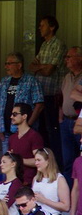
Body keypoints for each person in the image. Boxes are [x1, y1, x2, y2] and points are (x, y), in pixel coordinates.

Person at [31, 15, 67, 156]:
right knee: (42, 129)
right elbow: (31, 66)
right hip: (40, 94)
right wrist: (43, 66)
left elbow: (49, 71)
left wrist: (40, 67)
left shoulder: (58, 44)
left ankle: (56, 161)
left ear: (52, 27)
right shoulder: (44, 45)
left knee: (53, 129)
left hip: (52, 94)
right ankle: (44, 159)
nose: (40, 28)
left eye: (43, 25)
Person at [0, 52, 44, 147]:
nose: (6, 67)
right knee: (8, 156)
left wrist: (28, 126)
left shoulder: (31, 81)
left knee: (23, 155)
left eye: (9, 64)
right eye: (6, 64)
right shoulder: (4, 81)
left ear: (19, 65)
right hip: (5, 131)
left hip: (24, 132)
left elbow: (39, 105)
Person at [7, 103, 43, 184]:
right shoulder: (12, 138)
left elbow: (39, 160)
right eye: (12, 114)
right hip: (13, 181)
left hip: (29, 182)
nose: (11, 117)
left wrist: (19, 160)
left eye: (15, 114)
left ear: (24, 116)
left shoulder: (34, 136)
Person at [59, 47, 82, 174]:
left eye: (69, 57)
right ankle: (68, 186)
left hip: (79, 121)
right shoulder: (67, 77)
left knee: (80, 159)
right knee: (67, 161)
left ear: (79, 58)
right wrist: (60, 117)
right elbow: (62, 97)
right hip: (66, 121)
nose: (66, 60)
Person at [32, 147, 70, 215]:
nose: (36, 163)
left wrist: (45, 201)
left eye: (39, 160)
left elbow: (66, 207)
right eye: (35, 160)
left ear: (48, 161)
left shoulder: (59, 179)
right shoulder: (36, 179)